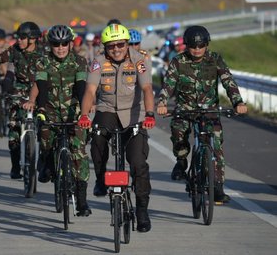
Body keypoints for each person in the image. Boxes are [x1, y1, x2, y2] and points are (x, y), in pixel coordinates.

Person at [156, 25, 248, 204]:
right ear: (186, 46)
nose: (197, 50)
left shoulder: (215, 60)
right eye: (193, 46)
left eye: (201, 46)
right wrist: (162, 102)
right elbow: (168, 84)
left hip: (209, 110)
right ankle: (181, 161)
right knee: (178, 131)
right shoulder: (178, 61)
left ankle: (218, 187)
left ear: (207, 44)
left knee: (216, 145)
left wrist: (238, 102)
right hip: (185, 109)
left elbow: (228, 82)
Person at [78, 23, 155, 232]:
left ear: (127, 43)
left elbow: (147, 88)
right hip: (108, 110)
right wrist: (84, 115)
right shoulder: (98, 62)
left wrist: (149, 114)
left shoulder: (139, 60)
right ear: (105, 47)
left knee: (138, 163)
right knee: (97, 138)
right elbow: (90, 90)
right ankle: (102, 178)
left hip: (134, 114)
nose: (116, 49)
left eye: (120, 44)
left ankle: (141, 211)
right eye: (111, 46)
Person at [23, 25, 91, 217]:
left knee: (79, 153)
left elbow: (81, 86)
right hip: (51, 110)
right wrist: (40, 107)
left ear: (70, 43)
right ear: (50, 45)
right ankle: (46, 162)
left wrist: (84, 109)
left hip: (74, 112)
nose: (60, 48)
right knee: (45, 139)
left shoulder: (79, 61)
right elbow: (41, 85)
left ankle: (82, 201)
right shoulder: (43, 62)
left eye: (63, 44)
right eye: (56, 44)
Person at [0, 21, 44, 179]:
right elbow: (9, 71)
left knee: (48, 129)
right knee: (14, 129)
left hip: (41, 90)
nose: (18, 40)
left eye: (22, 37)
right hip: (19, 90)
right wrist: (6, 86)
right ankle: (15, 165)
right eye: (17, 37)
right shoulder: (14, 51)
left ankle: (44, 161)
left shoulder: (44, 52)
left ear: (32, 39)